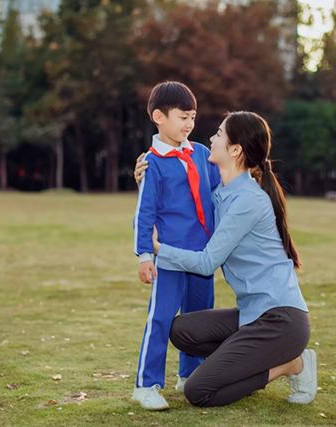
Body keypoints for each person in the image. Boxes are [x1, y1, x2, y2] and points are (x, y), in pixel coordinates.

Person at [137, 111, 317, 408]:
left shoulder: (248, 200)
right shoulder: (221, 193)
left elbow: (207, 263)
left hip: (280, 321)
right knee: (181, 330)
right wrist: (145, 176)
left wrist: (158, 249)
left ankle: (292, 365)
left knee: (199, 391)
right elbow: (180, 193)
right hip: (252, 314)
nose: (211, 138)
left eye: (219, 134)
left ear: (235, 150)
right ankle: (241, 359)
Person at [131, 81, 221, 410]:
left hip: (202, 258)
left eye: (193, 118)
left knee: (198, 321)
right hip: (167, 257)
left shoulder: (200, 154)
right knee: (162, 319)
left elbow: (218, 194)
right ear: (158, 117)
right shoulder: (151, 163)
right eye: (183, 117)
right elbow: (145, 214)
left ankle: (190, 375)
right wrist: (144, 255)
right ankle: (146, 384)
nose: (189, 124)